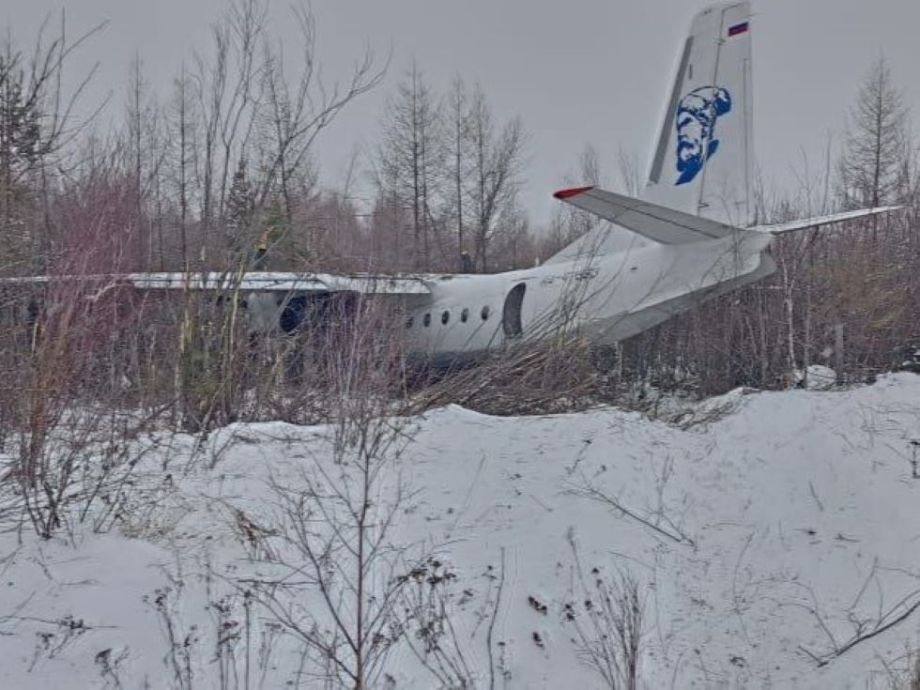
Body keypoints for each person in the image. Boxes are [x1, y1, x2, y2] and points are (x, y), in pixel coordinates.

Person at [675, 86, 732, 185]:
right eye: (721, 112)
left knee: (686, 134)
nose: (720, 114)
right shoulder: (713, 105)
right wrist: (703, 151)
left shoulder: (708, 94)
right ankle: (691, 156)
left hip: (687, 107)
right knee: (694, 137)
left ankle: (684, 158)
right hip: (694, 108)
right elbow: (708, 125)